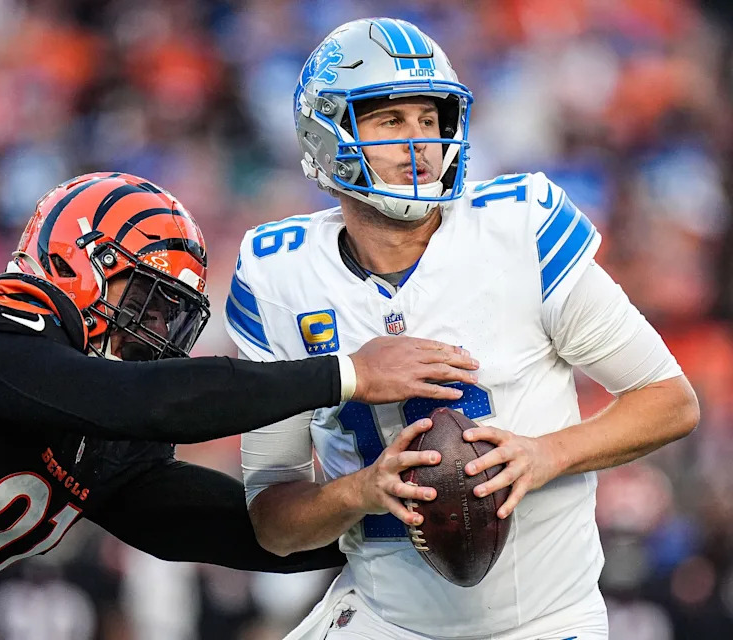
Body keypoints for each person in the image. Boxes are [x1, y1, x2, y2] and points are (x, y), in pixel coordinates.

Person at [0, 171, 480, 640]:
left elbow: (247, 532)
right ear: (76, 264)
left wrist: (379, 502)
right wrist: (347, 373)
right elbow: (148, 403)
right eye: (143, 300)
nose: (155, 333)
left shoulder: (99, 436)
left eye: (172, 316)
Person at [225, 19, 700, 640]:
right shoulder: (279, 272)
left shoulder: (517, 228)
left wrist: (543, 453)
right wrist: (363, 491)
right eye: (390, 121)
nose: (418, 141)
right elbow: (274, 522)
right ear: (326, 132)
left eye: (430, 118)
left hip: (547, 621)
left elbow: (669, 401)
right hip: (385, 616)